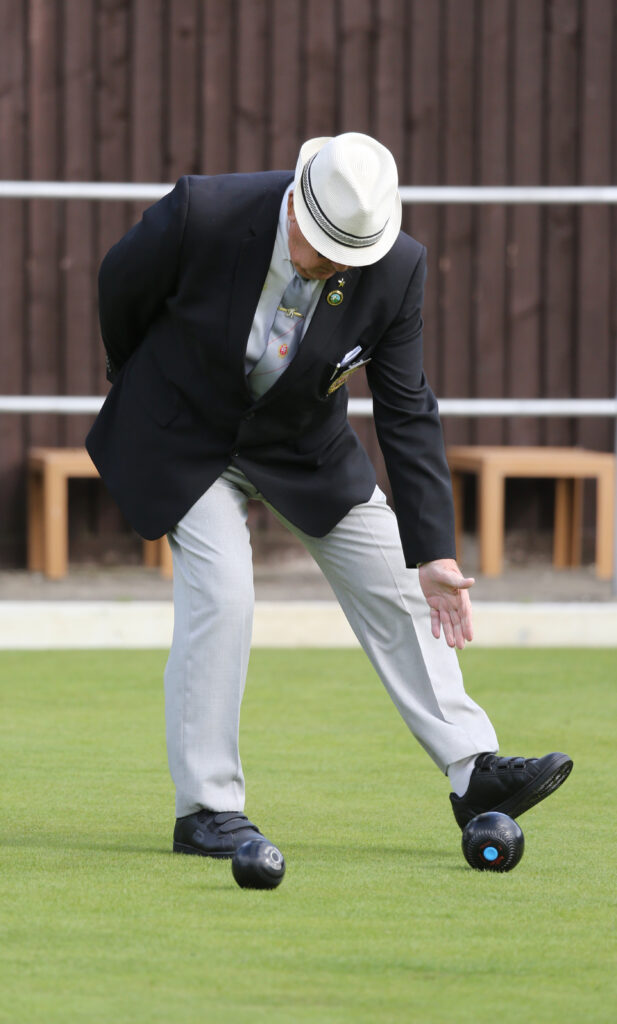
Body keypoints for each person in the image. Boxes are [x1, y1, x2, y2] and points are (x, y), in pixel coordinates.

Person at [86, 133, 572, 857]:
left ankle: (473, 769)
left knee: (401, 577)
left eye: (351, 255)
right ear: (294, 208)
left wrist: (435, 552)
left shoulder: (396, 267)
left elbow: (406, 407)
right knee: (224, 596)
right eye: (324, 249)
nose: (337, 266)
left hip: (301, 445)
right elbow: (120, 288)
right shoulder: (204, 212)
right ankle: (207, 810)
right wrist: (145, 388)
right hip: (185, 435)